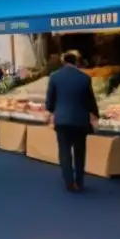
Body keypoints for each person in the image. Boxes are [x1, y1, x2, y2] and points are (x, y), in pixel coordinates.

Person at [45, 52, 99, 192]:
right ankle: (79, 180)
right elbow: (90, 101)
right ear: (76, 62)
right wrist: (95, 115)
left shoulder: (55, 77)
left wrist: (51, 110)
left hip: (62, 119)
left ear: (63, 62)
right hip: (80, 120)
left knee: (64, 151)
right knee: (80, 151)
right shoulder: (85, 78)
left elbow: (50, 100)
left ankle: (69, 181)